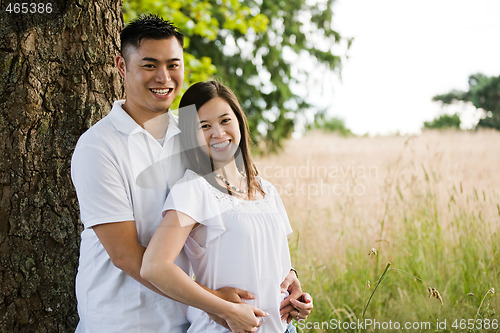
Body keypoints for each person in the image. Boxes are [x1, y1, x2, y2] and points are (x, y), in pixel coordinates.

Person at [71, 15, 310, 332]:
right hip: (123, 319)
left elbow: (243, 212)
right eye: (149, 65)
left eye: (173, 65)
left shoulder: (194, 132)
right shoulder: (98, 148)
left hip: (185, 319)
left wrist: (284, 275)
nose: (164, 77)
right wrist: (216, 303)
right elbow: (126, 255)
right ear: (120, 66)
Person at [140, 80, 313, 333]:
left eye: (225, 120)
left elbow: (273, 261)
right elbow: (154, 267)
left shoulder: (266, 189)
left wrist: (294, 287)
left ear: (239, 121)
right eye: (204, 126)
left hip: (283, 329)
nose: (218, 133)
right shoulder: (193, 190)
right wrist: (224, 308)